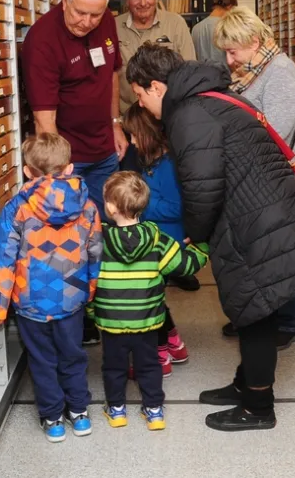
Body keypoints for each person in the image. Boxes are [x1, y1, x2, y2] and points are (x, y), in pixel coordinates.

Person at [125, 43, 295, 431]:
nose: (140, 104)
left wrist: (194, 235)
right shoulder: (208, 97)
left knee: (256, 313)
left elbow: (203, 187)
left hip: (257, 221)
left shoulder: (188, 114)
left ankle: (258, 407)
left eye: (140, 95)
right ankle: (246, 384)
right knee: (253, 312)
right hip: (261, 213)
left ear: (157, 87)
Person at [21, 0, 128, 345]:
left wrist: (115, 123)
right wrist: (53, 176)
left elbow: (113, 74)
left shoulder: (106, 22)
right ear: (64, 1)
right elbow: (43, 119)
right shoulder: (42, 41)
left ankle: (110, 310)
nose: (87, 22)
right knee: (69, 242)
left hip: (103, 151)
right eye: (79, 12)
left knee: (108, 233)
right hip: (69, 160)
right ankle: (76, 318)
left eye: (95, 15)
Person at [0, 133, 103, 443]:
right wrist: (89, 289)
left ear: (27, 171)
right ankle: (79, 412)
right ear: (69, 167)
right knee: (73, 355)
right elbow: (94, 252)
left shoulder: (18, 209)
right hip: (71, 297)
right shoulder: (88, 206)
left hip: (31, 300)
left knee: (42, 359)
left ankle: (52, 418)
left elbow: (1, 258)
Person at [214, 6, 295, 349]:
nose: (229, 59)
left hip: (279, 178)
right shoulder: (254, 70)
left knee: (282, 252)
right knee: (257, 253)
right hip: (256, 178)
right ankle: (256, 318)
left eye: (233, 50)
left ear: (253, 42)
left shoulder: (281, 72)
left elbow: (277, 135)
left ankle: (287, 322)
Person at [89, 171, 208, 431]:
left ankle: (117, 410)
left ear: (109, 207)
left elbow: (89, 280)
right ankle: (154, 410)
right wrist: (202, 248)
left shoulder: (98, 242)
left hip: (111, 322)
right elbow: (185, 266)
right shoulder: (157, 239)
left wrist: (91, 311)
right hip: (149, 320)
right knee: (149, 365)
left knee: (113, 367)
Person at [116, 0, 199, 292]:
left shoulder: (175, 24)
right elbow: (111, 78)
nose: (142, 3)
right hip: (131, 119)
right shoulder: (114, 27)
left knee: (169, 183)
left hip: (166, 117)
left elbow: (187, 70)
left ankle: (177, 260)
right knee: (136, 180)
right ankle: (143, 254)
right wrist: (116, 124)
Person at [123, 103, 190, 377]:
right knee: (156, 296)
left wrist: (143, 203)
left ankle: (158, 357)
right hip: (156, 241)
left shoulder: (168, 166)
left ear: (147, 135)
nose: (131, 142)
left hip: (165, 244)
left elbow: (177, 208)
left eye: (134, 136)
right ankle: (174, 344)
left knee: (150, 300)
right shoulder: (153, 164)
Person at [191, 0, 238, 69]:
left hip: (202, 75)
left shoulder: (195, 28)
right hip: (224, 76)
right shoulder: (227, 27)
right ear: (230, 7)